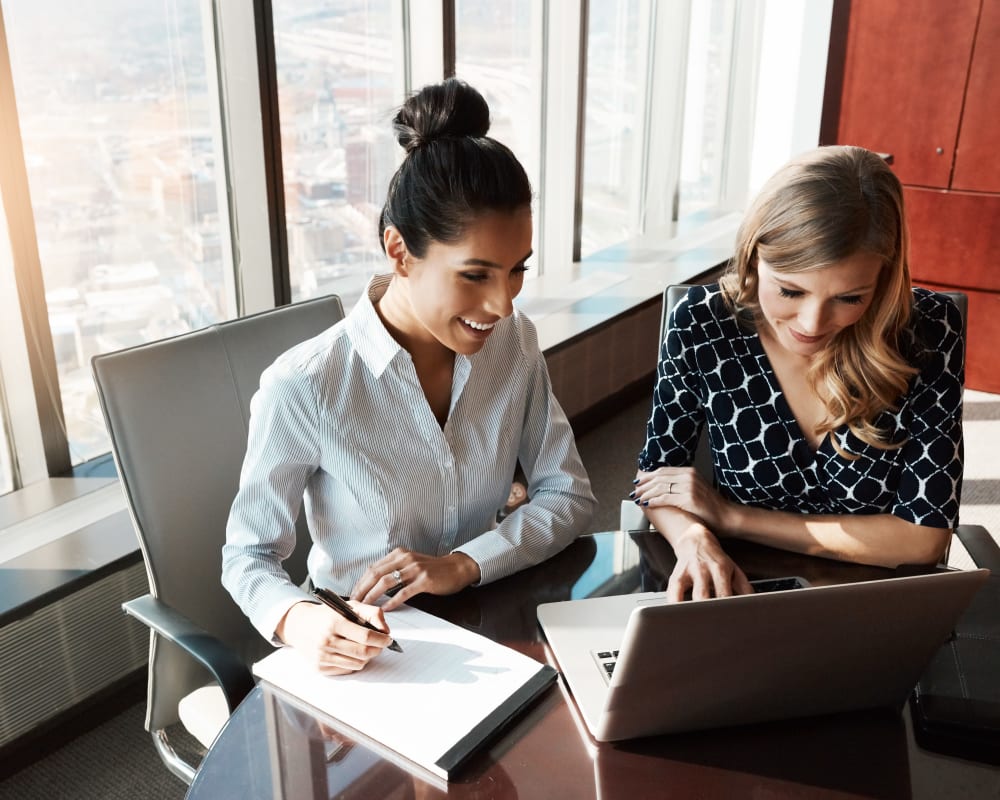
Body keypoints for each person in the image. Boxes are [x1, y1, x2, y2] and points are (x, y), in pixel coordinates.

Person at [222, 78, 596, 674]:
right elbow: (248, 556)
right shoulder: (306, 386)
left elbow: (568, 493)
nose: (502, 304)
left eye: (517, 270)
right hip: (374, 653)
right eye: (475, 275)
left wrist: (466, 563)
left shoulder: (514, 341)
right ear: (399, 251)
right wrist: (302, 620)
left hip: (495, 620)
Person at [631, 145, 964, 601]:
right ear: (754, 258)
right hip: (737, 589)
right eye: (790, 290)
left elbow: (924, 540)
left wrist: (733, 518)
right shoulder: (703, 323)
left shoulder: (927, 330)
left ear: (883, 281)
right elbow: (658, 476)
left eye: (849, 298)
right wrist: (694, 537)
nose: (812, 324)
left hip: (875, 600)